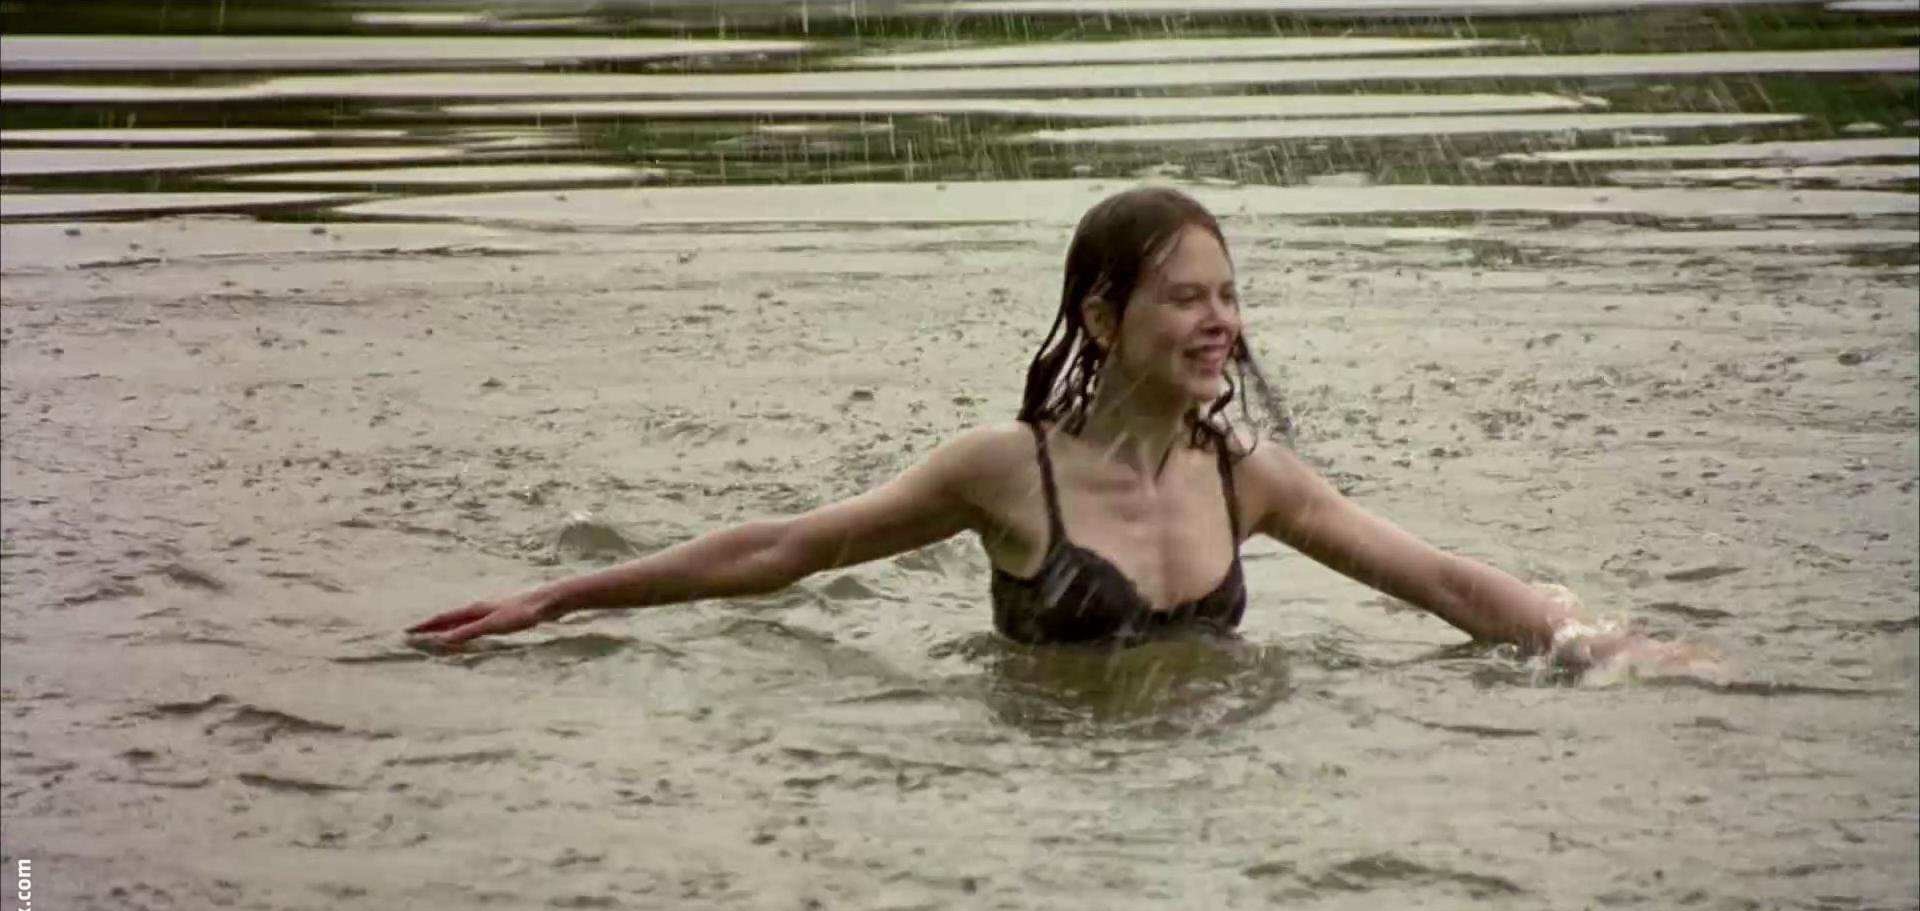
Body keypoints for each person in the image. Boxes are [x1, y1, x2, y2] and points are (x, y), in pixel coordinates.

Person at [409, 186, 1706, 673]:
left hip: (1203, 817)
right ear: (1102, 315)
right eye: (1186, 298)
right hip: (1045, 803)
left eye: (1229, 296)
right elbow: (785, 550)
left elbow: (1444, 584)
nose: (1221, 323)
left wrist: (1606, 646)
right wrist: (561, 597)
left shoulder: (1250, 479)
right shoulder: (1006, 471)